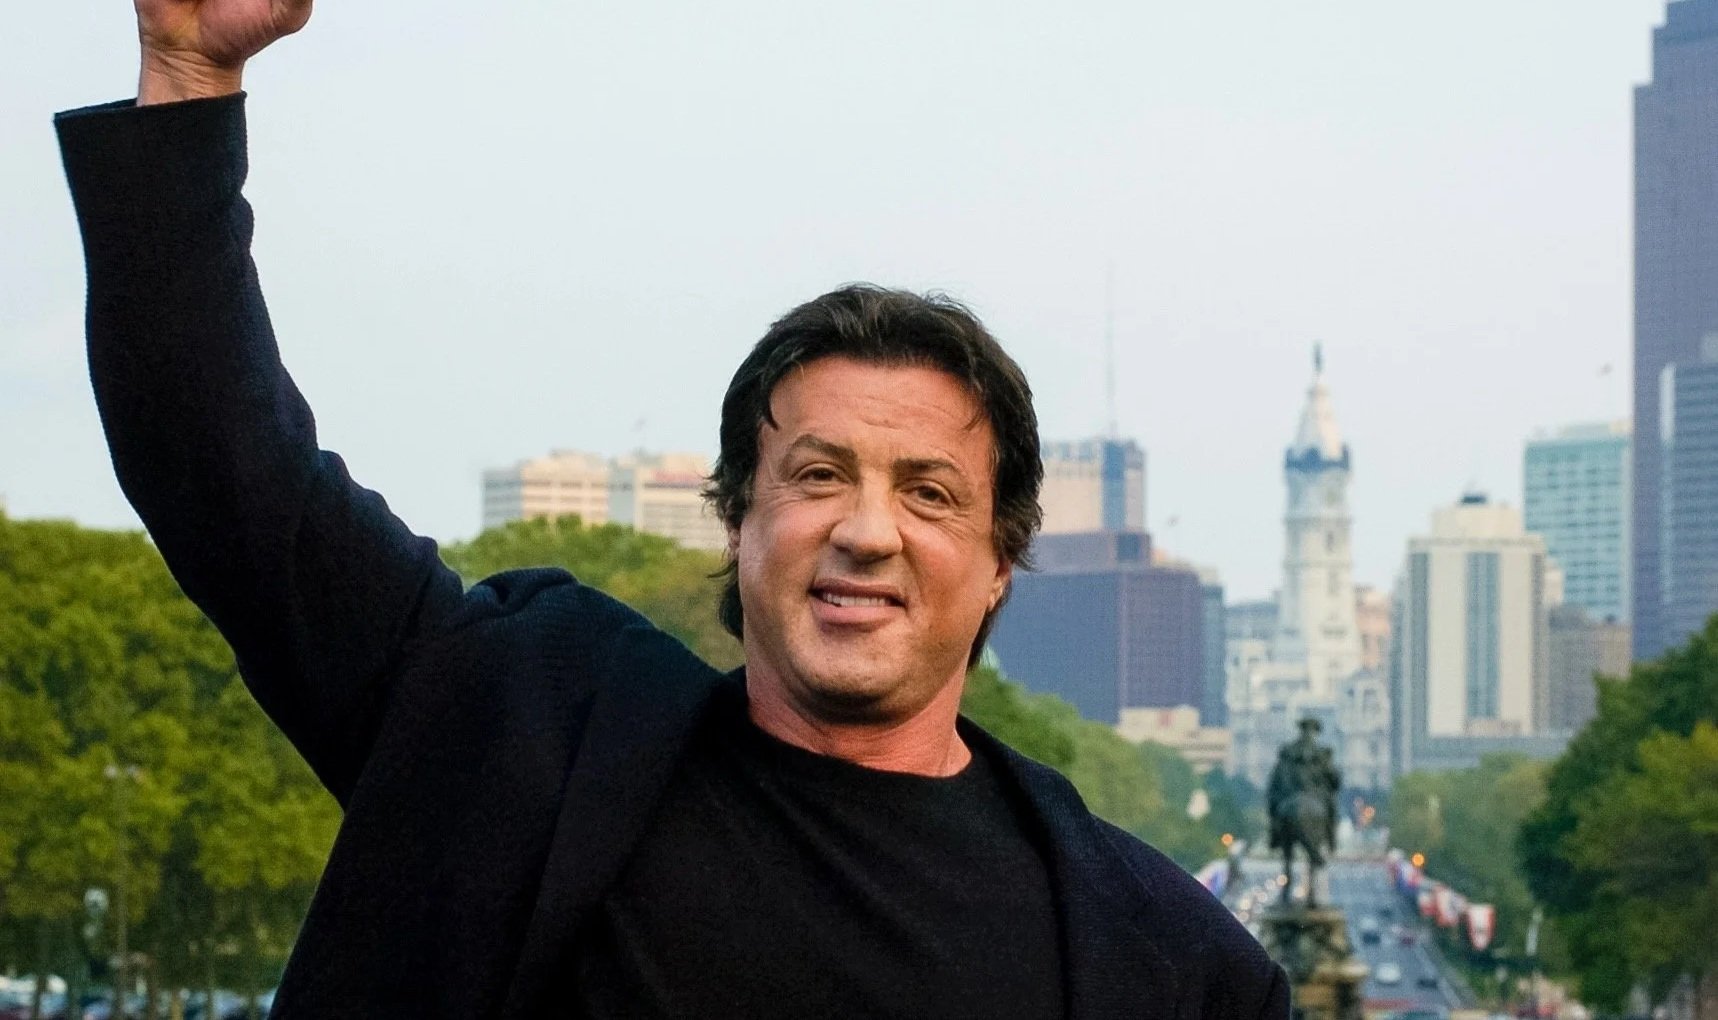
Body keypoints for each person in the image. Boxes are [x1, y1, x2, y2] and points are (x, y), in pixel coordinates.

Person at [55, 1, 1289, 1016]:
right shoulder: (517, 727)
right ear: (736, 519)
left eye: (927, 494)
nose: (866, 528)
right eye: (816, 476)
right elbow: (224, 471)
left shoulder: (1169, 969)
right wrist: (187, 67)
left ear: (1000, 561)